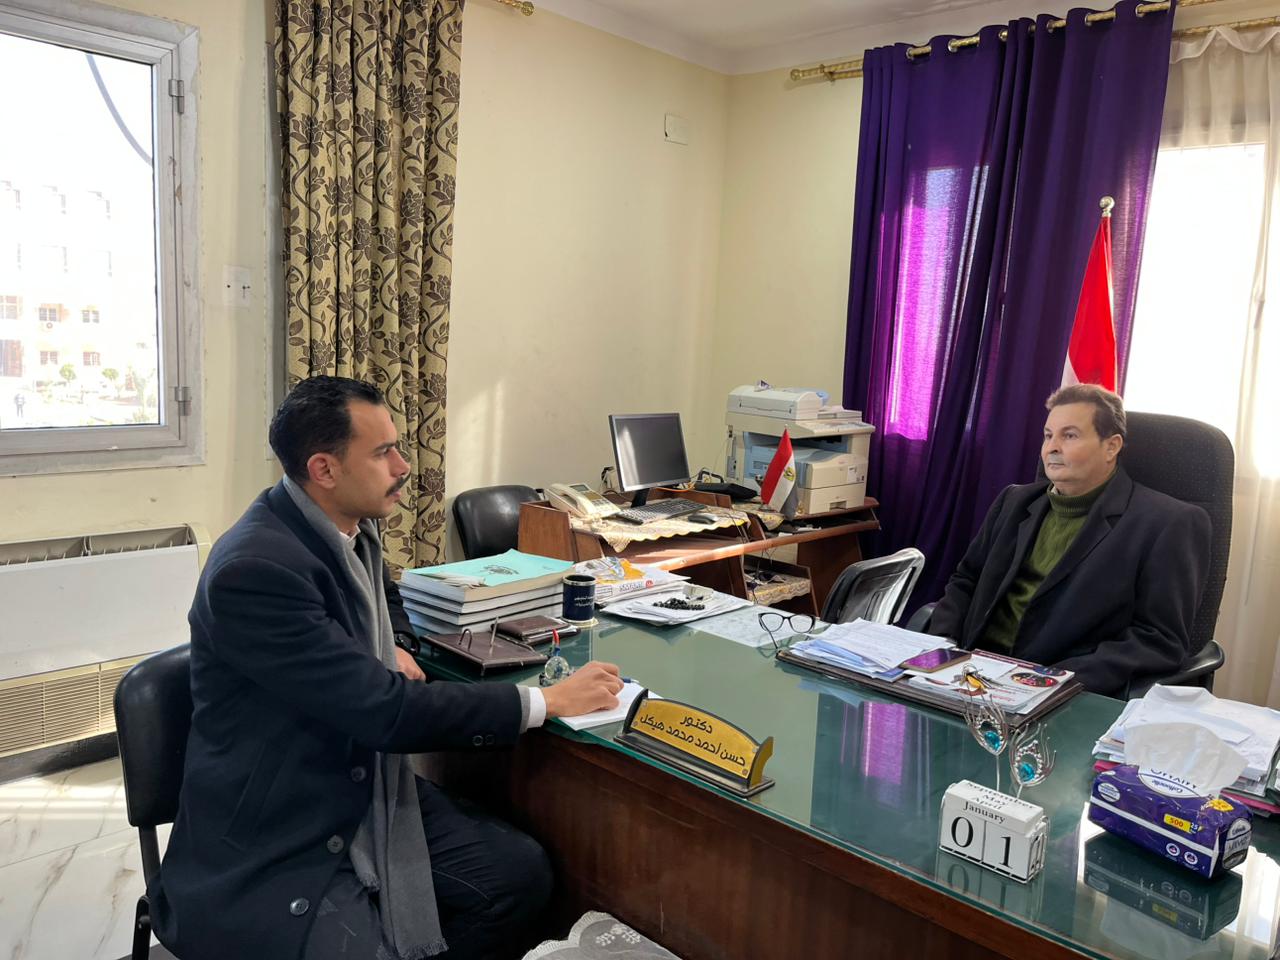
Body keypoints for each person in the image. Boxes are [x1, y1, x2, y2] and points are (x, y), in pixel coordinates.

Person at [152, 376, 624, 960]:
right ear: (324, 469)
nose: (403, 466)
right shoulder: (255, 571)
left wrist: (393, 642)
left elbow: (386, 597)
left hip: (359, 778)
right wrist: (546, 701)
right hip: (279, 819)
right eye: (383, 453)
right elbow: (385, 711)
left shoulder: (344, 525)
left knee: (517, 876)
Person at [926, 383, 1211, 697]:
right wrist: (941, 646)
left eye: (1070, 435)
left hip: (1060, 688)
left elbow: (1159, 640)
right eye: (1048, 435)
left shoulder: (1166, 523)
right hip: (968, 676)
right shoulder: (1014, 501)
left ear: (1111, 446)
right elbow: (966, 580)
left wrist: (1053, 681)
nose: (1052, 448)